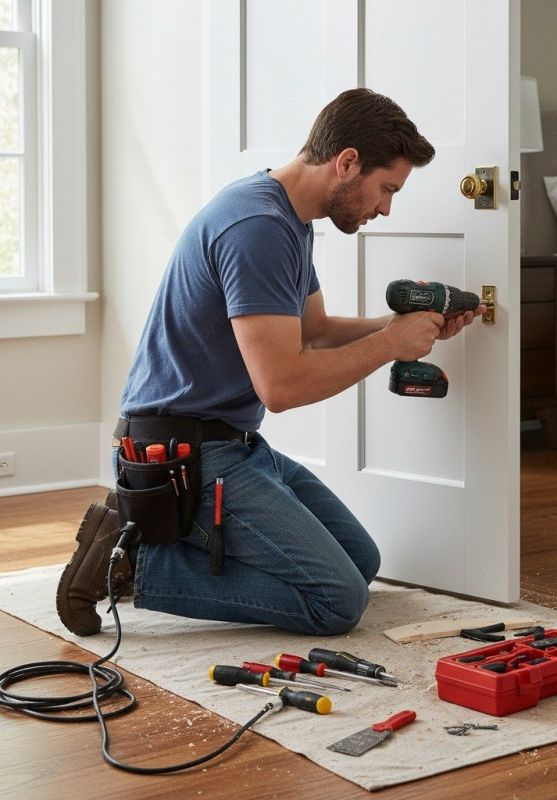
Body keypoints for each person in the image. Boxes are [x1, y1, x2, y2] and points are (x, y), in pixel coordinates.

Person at [56, 88, 484, 638]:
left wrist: (396, 327)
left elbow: (315, 332)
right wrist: (390, 345)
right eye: (386, 189)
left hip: (230, 442)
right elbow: (280, 386)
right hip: (184, 454)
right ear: (347, 162)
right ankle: (135, 562)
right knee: (336, 601)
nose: (385, 208)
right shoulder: (257, 227)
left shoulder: (288, 218)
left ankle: (182, 538)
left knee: (360, 561)